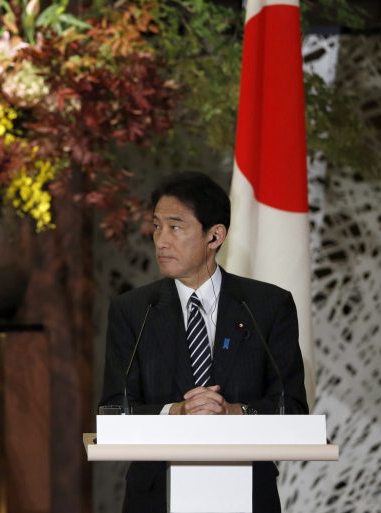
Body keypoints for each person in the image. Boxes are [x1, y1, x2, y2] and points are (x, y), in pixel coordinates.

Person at [100, 171, 308, 513]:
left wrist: (234, 412)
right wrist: (177, 411)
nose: (161, 240)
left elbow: (293, 408)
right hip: (155, 495)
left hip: (247, 491)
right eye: (157, 226)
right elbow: (113, 411)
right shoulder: (133, 311)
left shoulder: (267, 306)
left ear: (215, 236)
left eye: (175, 227)